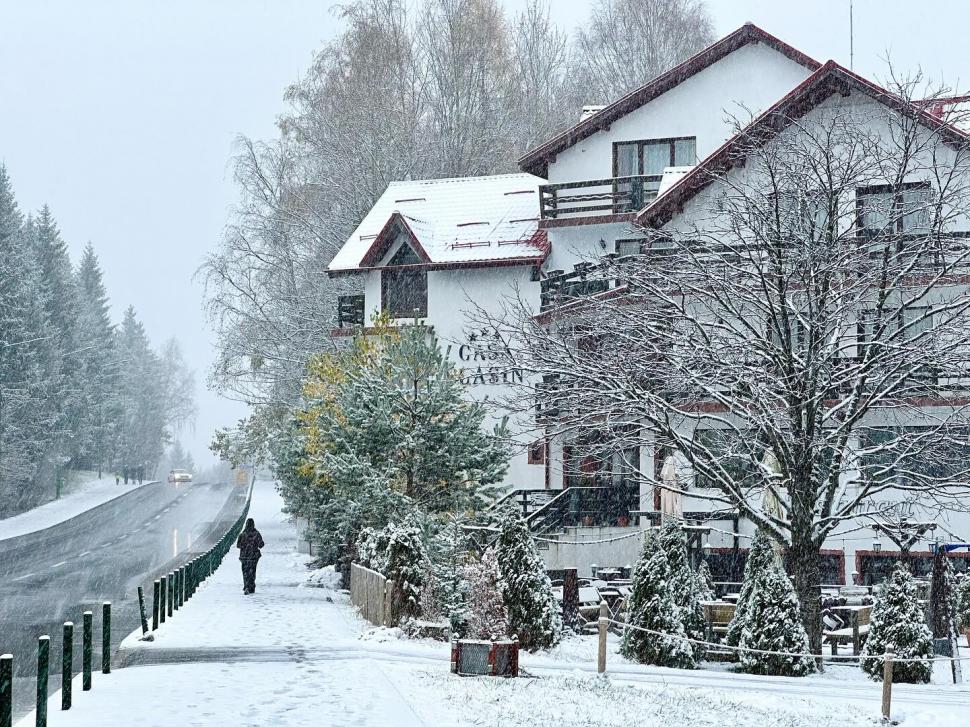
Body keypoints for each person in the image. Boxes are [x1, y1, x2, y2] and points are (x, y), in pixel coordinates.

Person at [236, 518, 265, 595]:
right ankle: (251, 587)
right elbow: (261, 545)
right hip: (253, 557)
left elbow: (238, 545)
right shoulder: (256, 534)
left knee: (245, 571)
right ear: (253, 525)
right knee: (252, 571)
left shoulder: (242, 534)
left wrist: (244, 546)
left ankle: (246, 586)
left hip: (244, 557)